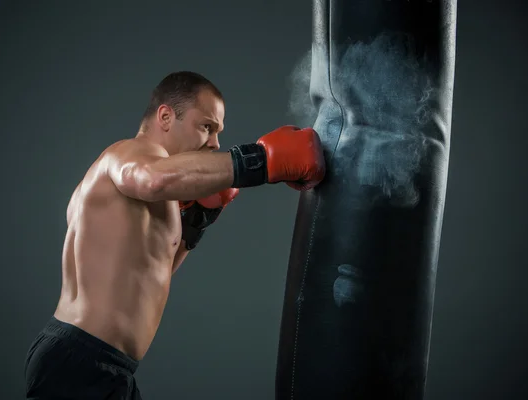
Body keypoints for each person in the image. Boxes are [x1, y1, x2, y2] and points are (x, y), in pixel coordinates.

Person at [24, 71, 326, 399]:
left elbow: (152, 276)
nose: (214, 143)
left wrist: (196, 223)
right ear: (166, 116)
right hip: (80, 361)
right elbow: (149, 178)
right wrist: (261, 161)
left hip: (112, 367)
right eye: (207, 126)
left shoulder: (163, 193)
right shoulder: (127, 154)